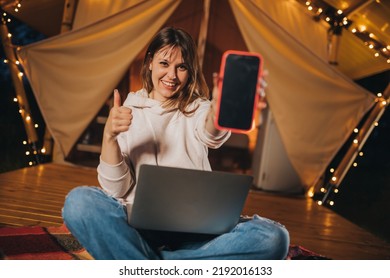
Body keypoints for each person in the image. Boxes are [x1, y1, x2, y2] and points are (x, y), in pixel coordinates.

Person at [62, 27, 289, 260]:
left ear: (189, 72)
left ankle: (144, 262)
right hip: (139, 229)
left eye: (181, 67)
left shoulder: (199, 108)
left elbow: (212, 132)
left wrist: (220, 109)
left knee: (273, 238)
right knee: (79, 203)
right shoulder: (127, 111)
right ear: (150, 62)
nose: (171, 75)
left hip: (196, 231)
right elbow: (116, 190)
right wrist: (109, 135)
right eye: (164, 64)